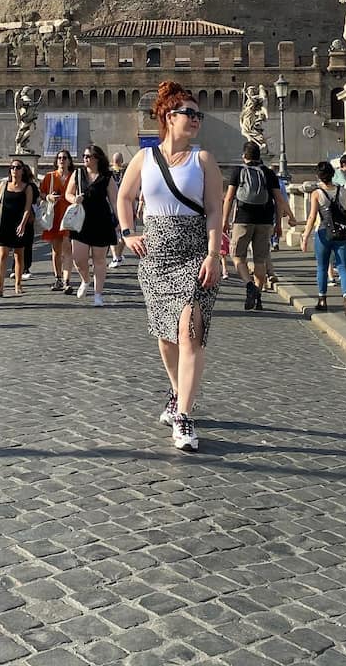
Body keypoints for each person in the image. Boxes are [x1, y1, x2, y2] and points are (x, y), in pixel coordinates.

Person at [116, 83, 224, 453]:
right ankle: (177, 392)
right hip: (157, 256)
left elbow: (214, 210)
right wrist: (129, 233)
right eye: (188, 114)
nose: (195, 120)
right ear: (167, 117)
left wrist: (213, 254)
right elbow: (124, 197)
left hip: (195, 253)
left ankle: (184, 416)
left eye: (198, 115)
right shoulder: (143, 159)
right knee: (166, 337)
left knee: (189, 332)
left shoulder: (203, 160)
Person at [221, 142, 290, 311]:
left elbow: (229, 198)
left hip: (243, 219)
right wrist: (279, 224)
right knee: (260, 260)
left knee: (237, 256)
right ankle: (258, 296)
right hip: (265, 221)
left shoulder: (238, 171)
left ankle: (249, 284)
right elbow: (279, 200)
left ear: (244, 156)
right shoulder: (269, 173)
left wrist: (224, 221)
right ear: (260, 156)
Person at [64, 145, 118, 306]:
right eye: (84, 155)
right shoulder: (78, 173)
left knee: (99, 260)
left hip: (101, 221)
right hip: (81, 221)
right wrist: (74, 199)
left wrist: (121, 221)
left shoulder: (107, 177)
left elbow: (115, 201)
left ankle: (98, 294)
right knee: (79, 259)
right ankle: (85, 280)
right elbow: (68, 193)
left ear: (97, 158)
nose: (85, 158)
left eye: (89, 156)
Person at [300, 161, 346, 316]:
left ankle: (322, 299)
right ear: (332, 174)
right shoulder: (343, 191)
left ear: (318, 176)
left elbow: (312, 217)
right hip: (342, 233)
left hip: (324, 232)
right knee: (343, 267)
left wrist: (305, 236)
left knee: (322, 266)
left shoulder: (316, 193)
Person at [0, 159, 34, 297]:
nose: (15, 170)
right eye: (12, 167)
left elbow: (28, 208)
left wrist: (23, 224)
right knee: (3, 255)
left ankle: (18, 283)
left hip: (19, 225)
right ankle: (0, 286)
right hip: (4, 224)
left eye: (18, 167)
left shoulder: (27, 187)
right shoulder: (4, 185)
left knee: (18, 255)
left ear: (22, 170)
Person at [40, 151, 74, 293]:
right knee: (56, 250)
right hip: (54, 215)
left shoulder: (74, 177)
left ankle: (67, 281)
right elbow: (41, 193)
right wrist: (48, 197)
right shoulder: (49, 177)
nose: (61, 160)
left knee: (67, 249)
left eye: (64, 158)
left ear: (69, 161)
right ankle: (58, 278)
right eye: (59, 158)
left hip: (69, 215)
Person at [19, 163, 39, 279]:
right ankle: (23, 267)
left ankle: (23, 268)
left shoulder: (30, 186)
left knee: (23, 244)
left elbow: (35, 199)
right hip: (25, 218)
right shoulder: (30, 185)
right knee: (24, 244)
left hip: (27, 217)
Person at [109, 152, 128, 267]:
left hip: (111, 206)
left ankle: (115, 257)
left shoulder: (107, 173)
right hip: (126, 205)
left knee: (113, 232)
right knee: (126, 232)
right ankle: (119, 255)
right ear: (122, 161)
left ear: (112, 160)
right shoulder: (126, 172)